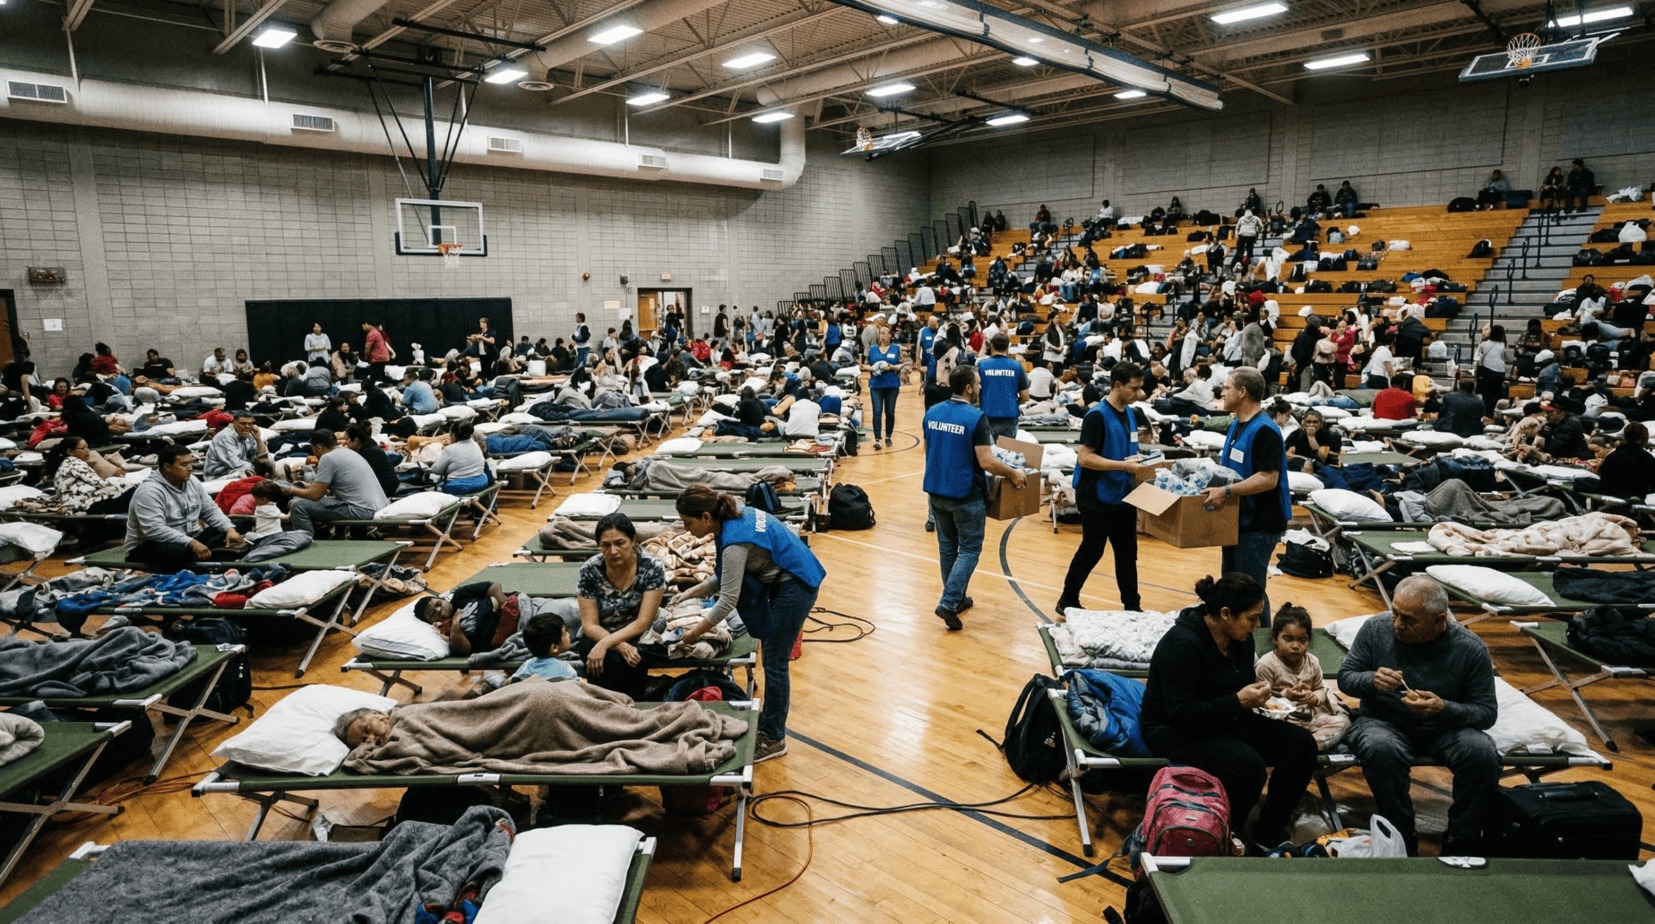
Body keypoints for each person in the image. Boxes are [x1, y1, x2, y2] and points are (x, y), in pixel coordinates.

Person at [1141, 573, 1319, 851]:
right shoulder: (1182, 643)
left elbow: (1243, 687)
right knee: (1248, 766)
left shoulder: (1241, 639)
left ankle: (1267, 831)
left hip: (1224, 719)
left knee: (1302, 745)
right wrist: (1237, 701)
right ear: (1226, 614)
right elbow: (1180, 714)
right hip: (1172, 729)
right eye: (1252, 617)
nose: (1257, 625)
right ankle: (1222, 834)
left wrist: (1275, 695)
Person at [1337, 575, 1499, 856]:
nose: (1398, 624)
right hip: (1384, 721)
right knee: (1380, 748)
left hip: (1444, 728)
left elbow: (1486, 712)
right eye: (1395, 614)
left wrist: (1444, 708)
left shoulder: (1470, 648)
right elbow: (1346, 677)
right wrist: (1371, 680)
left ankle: (1462, 842)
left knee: (1482, 753)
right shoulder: (1376, 629)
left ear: (1439, 620)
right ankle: (1402, 838)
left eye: (1409, 620)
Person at [673, 486, 824, 762]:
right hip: (791, 575)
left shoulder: (733, 541)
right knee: (772, 655)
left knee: (775, 662)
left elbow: (727, 599)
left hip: (796, 584)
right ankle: (768, 724)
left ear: (706, 516)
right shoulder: (733, 518)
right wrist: (691, 592)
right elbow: (726, 577)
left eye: (688, 522)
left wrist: (692, 635)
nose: (686, 529)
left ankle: (774, 738)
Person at [923, 365, 1029, 630]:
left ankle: (956, 599)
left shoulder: (932, 412)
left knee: (948, 548)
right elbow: (987, 461)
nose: (981, 387)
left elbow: (929, 450)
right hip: (965, 494)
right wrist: (1013, 473)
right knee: (970, 549)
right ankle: (948, 602)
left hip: (936, 490)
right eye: (979, 384)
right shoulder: (976, 417)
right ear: (969, 388)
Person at [1058, 362, 1152, 615]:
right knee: (1092, 549)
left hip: (1121, 492)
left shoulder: (1130, 412)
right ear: (1118, 385)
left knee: (1127, 552)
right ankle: (1067, 599)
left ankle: (1132, 606)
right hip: (1095, 493)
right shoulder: (1097, 416)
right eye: (1134, 389)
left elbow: (1128, 448)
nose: (1139, 394)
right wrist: (1123, 466)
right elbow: (1085, 458)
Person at [1202, 368, 1289, 627]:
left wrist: (1226, 491)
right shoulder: (1236, 425)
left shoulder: (1265, 430)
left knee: (1250, 592)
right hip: (1237, 520)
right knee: (1231, 586)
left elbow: (1268, 478)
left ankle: (1263, 647)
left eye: (1227, 388)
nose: (1223, 392)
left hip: (1260, 524)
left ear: (1242, 392)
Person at [125, 444, 246, 571]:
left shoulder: (192, 481)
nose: (190, 468)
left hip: (190, 538)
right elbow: (155, 530)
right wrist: (192, 543)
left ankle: (206, 558)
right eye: (184, 465)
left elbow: (210, 510)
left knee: (240, 524)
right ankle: (206, 562)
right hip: (152, 545)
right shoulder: (149, 492)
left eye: (190, 463)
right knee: (177, 552)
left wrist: (229, 529)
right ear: (167, 467)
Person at [1255, 604, 1351, 750]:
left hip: (1309, 719)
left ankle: (1307, 747)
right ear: (1275, 638)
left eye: (1302, 640)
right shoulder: (1267, 664)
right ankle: (1304, 747)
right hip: (1280, 722)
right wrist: (1286, 695)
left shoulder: (1312, 662)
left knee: (1343, 723)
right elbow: (1261, 700)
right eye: (1288, 639)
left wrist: (1315, 697)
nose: (1295, 645)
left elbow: (1319, 688)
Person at [281, 429, 390, 534]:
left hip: (362, 510)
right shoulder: (348, 452)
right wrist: (307, 487)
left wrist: (291, 490)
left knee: (299, 506)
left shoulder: (328, 458)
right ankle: (324, 534)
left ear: (318, 447)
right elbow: (324, 487)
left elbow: (315, 495)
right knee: (313, 504)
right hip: (378, 506)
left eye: (313, 449)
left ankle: (304, 545)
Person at [415, 581, 508, 658]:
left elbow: (493, 586)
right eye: (433, 614)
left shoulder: (460, 595)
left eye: (439, 604)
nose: (439, 610)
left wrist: (505, 609)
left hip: (511, 612)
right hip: (503, 640)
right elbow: (464, 650)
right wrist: (455, 624)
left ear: (444, 599)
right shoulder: (447, 631)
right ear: (431, 622)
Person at [976, 332, 1028, 442]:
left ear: (992, 346)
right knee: (1005, 455)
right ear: (1008, 346)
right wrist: (1013, 403)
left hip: (987, 415)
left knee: (988, 455)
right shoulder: (1017, 366)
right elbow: (1025, 396)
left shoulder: (982, 365)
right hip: (1009, 416)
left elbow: (975, 393)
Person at [511, 612, 578, 684]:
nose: (569, 635)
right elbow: (577, 686)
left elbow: (515, 680)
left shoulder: (527, 665)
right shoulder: (565, 668)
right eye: (565, 633)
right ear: (554, 647)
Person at [866, 323, 903, 450]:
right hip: (876, 385)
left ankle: (888, 436)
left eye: (885, 333)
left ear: (890, 335)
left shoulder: (896, 348)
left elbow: (903, 364)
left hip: (892, 386)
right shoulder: (872, 349)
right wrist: (872, 368)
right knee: (877, 411)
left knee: (890, 412)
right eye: (881, 333)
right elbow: (863, 365)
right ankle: (877, 439)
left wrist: (891, 367)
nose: (883, 335)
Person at [1595, 422, 1655, 497]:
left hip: (1609, 495)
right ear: (1645, 439)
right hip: (1636, 498)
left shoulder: (1611, 456)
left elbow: (1604, 481)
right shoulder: (1647, 458)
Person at [429, 420, 489, 495]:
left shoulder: (450, 449)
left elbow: (437, 470)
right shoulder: (475, 445)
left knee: (434, 489)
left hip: (459, 487)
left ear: (454, 435)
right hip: (481, 482)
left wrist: (431, 466)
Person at [203, 411, 267, 478]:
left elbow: (261, 458)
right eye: (243, 423)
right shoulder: (225, 436)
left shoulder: (247, 435)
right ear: (234, 423)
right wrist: (259, 467)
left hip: (238, 472)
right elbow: (235, 464)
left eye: (250, 424)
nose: (247, 426)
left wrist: (258, 439)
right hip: (219, 476)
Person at [1473, 324, 1507, 417]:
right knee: (1496, 394)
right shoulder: (1503, 345)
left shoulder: (1484, 344)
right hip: (1500, 372)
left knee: (1486, 394)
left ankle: (1485, 413)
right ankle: (1492, 413)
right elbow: (1505, 358)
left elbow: (1476, 357)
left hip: (1487, 370)